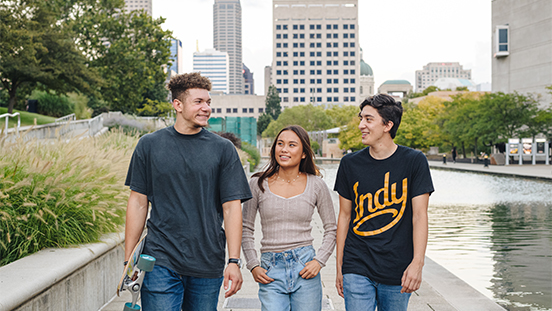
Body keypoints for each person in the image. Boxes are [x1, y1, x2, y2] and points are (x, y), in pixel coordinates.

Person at [124, 72, 252, 311]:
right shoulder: (149, 145)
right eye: (199, 102)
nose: (206, 108)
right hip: (159, 259)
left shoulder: (223, 150)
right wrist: (128, 261)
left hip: (207, 261)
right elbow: (138, 203)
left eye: (208, 102)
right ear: (178, 105)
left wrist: (234, 261)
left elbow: (232, 208)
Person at [334, 94, 434, 311]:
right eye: (361, 118)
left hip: (397, 265)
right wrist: (340, 265)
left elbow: (420, 215)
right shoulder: (349, 164)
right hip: (357, 263)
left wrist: (417, 263)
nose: (361, 125)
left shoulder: (414, 162)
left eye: (368, 119)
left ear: (388, 125)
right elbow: (344, 216)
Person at [242, 125, 337, 311]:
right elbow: (246, 228)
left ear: (303, 153)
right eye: (280, 144)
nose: (284, 149)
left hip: (305, 266)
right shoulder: (257, 183)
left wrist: (319, 261)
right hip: (271, 269)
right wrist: (253, 265)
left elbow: (332, 228)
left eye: (292, 145)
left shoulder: (316, 184)